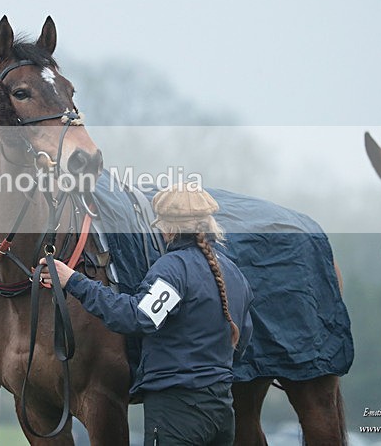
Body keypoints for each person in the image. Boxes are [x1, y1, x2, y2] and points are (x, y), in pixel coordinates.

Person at [41, 184, 254, 446]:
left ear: (169, 228)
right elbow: (241, 342)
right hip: (222, 410)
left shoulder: (172, 270)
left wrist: (73, 281)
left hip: (176, 412)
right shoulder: (233, 272)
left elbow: (135, 318)